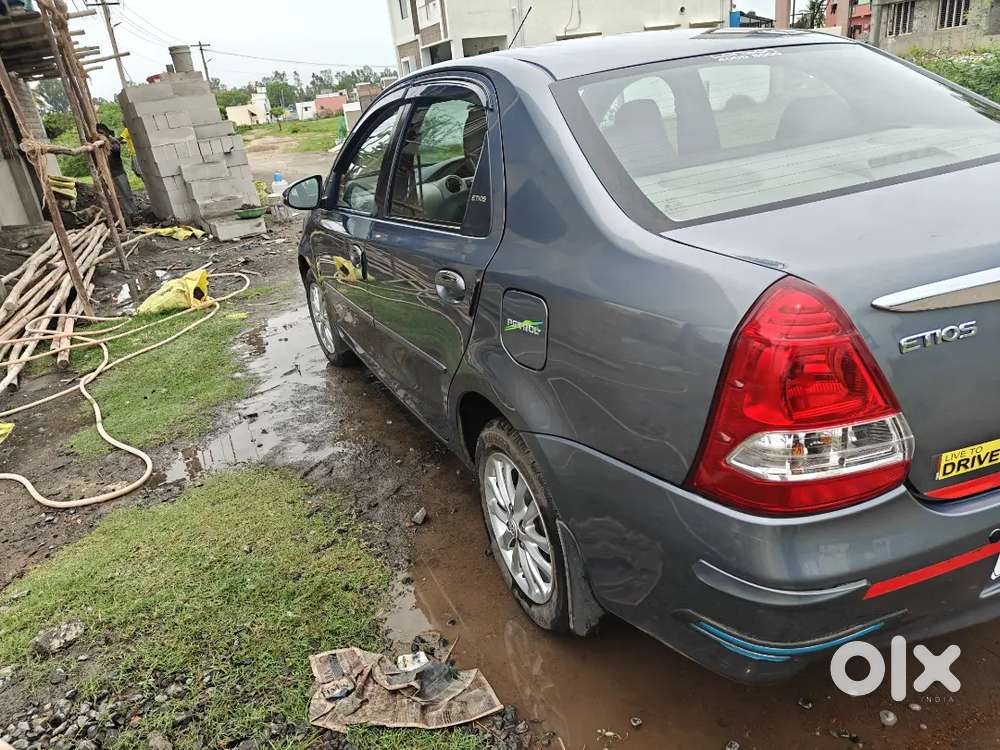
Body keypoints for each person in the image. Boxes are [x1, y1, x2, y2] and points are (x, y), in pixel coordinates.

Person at [96, 123, 135, 225]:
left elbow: (116, 149)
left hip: (118, 173)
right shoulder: (100, 147)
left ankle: (133, 216)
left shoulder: (113, 143)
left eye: (102, 133)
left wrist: (108, 141)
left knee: (126, 195)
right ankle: (126, 218)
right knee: (118, 197)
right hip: (109, 176)